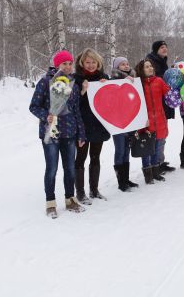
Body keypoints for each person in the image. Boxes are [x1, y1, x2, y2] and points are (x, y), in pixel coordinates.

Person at [29, 50, 86, 218]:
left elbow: (76, 111)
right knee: (52, 169)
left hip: (69, 132)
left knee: (69, 169)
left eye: (70, 63)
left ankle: (70, 199)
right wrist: (45, 116)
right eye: (64, 64)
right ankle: (50, 203)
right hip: (50, 133)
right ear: (56, 65)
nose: (68, 67)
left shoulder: (73, 84)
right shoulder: (45, 82)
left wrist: (81, 133)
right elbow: (34, 106)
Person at [73, 48, 111, 204]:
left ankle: (94, 190)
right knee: (80, 158)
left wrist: (106, 87)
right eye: (87, 62)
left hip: (98, 124)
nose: (90, 65)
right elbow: (71, 104)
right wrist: (82, 91)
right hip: (82, 124)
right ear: (82, 63)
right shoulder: (75, 79)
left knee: (96, 157)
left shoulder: (104, 78)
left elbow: (111, 101)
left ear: (98, 63)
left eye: (93, 62)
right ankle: (80, 193)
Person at [134, 59, 170, 184]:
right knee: (146, 149)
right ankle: (147, 175)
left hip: (159, 120)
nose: (150, 68)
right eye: (147, 67)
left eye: (151, 66)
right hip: (145, 122)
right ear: (141, 70)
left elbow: (168, 93)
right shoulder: (137, 84)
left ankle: (156, 172)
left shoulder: (159, 81)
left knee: (156, 148)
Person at [145, 40, 175, 174]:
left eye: (166, 47)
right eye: (162, 47)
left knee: (162, 135)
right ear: (156, 49)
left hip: (163, 103)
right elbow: (154, 79)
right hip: (155, 105)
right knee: (156, 137)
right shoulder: (151, 61)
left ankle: (160, 162)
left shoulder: (163, 61)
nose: (165, 49)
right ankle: (155, 164)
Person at [110, 56, 139, 192]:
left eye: (127, 63)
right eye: (122, 64)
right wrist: (124, 82)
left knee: (127, 149)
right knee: (120, 150)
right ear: (117, 67)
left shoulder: (133, 80)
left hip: (130, 121)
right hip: (117, 122)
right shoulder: (113, 80)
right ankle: (120, 182)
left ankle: (126, 179)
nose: (126, 66)